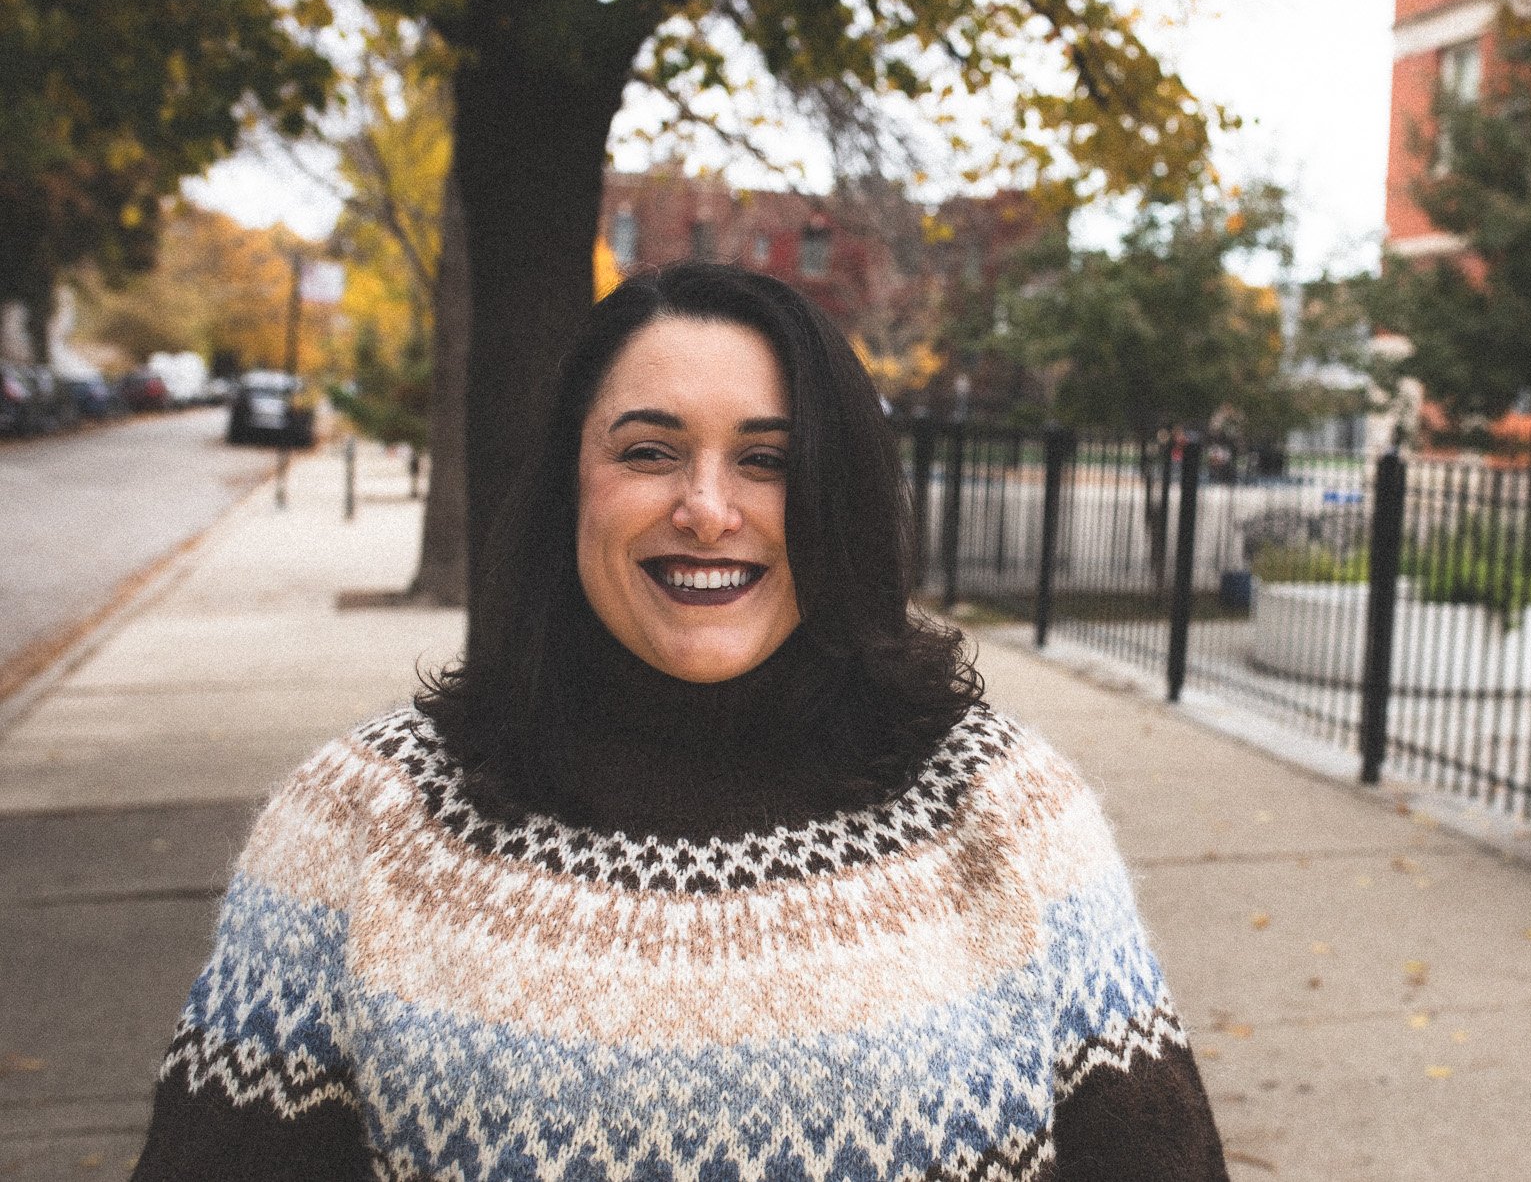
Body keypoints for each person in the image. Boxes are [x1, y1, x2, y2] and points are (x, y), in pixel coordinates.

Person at [133, 263, 1227, 1181]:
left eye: (768, 459)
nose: (709, 507)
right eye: (649, 451)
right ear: (570, 483)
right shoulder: (356, 824)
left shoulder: (1006, 814)